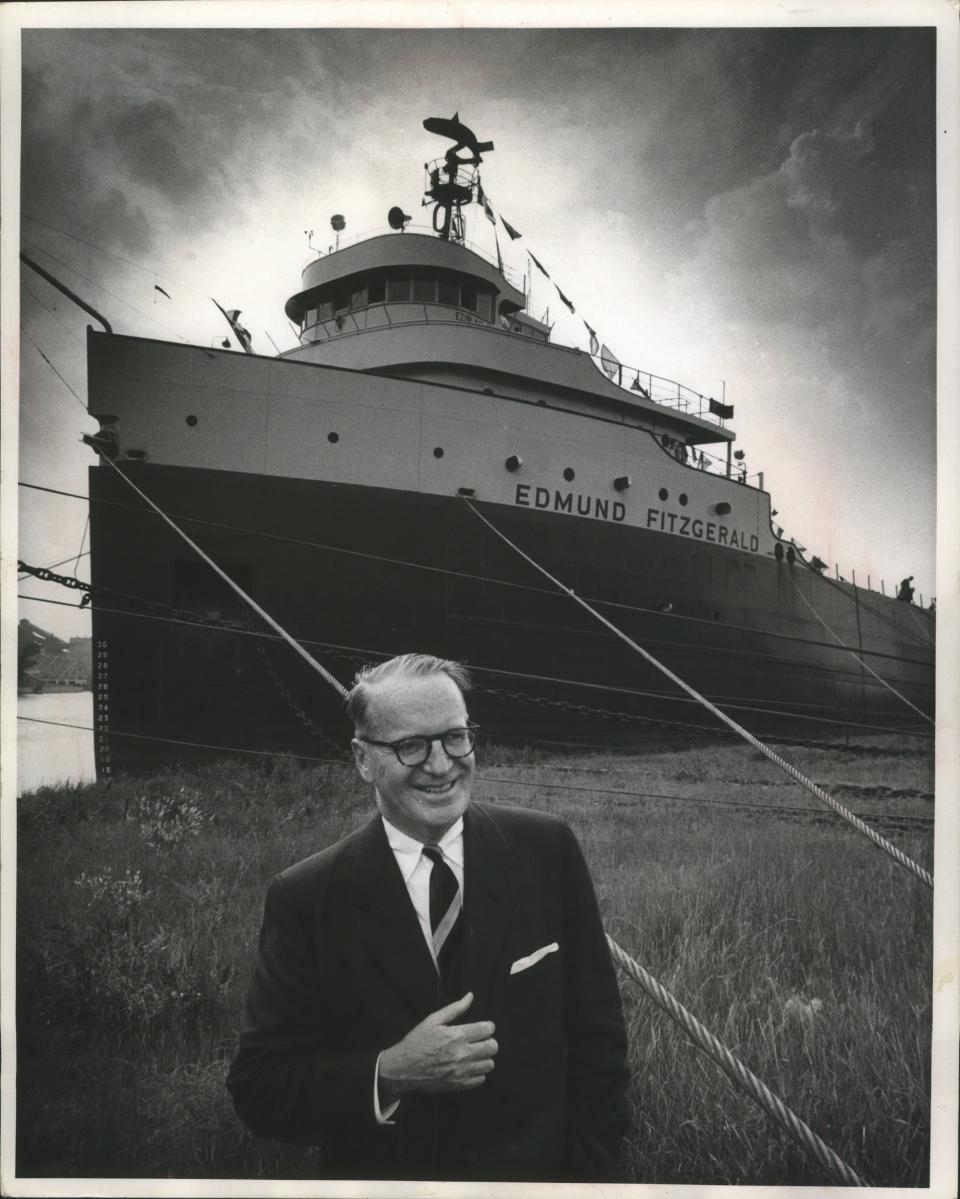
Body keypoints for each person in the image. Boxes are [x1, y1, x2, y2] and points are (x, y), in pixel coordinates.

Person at [226, 653, 630, 1182]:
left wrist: (592, 1176)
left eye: (455, 737)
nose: (441, 765)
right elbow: (260, 1087)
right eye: (410, 745)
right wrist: (388, 1073)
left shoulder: (546, 849)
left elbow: (599, 1039)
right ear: (362, 759)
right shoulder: (306, 896)